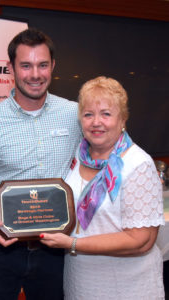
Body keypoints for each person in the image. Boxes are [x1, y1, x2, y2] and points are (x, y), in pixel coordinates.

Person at [0, 28, 82, 300]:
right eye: (26, 65)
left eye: (43, 65)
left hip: (56, 248)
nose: (35, 74)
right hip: (2, 248)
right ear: (11, 68)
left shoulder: (73, 114)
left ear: (53, 66)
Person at [40, 76, 165, 299]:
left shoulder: (138, 164)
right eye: (88, 114)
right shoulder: (77, 156)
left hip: (128, 286)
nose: (96, 122)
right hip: (81, 280)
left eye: (106, 114)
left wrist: (73, 243)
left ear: (123, 119)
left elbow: (141, 240)